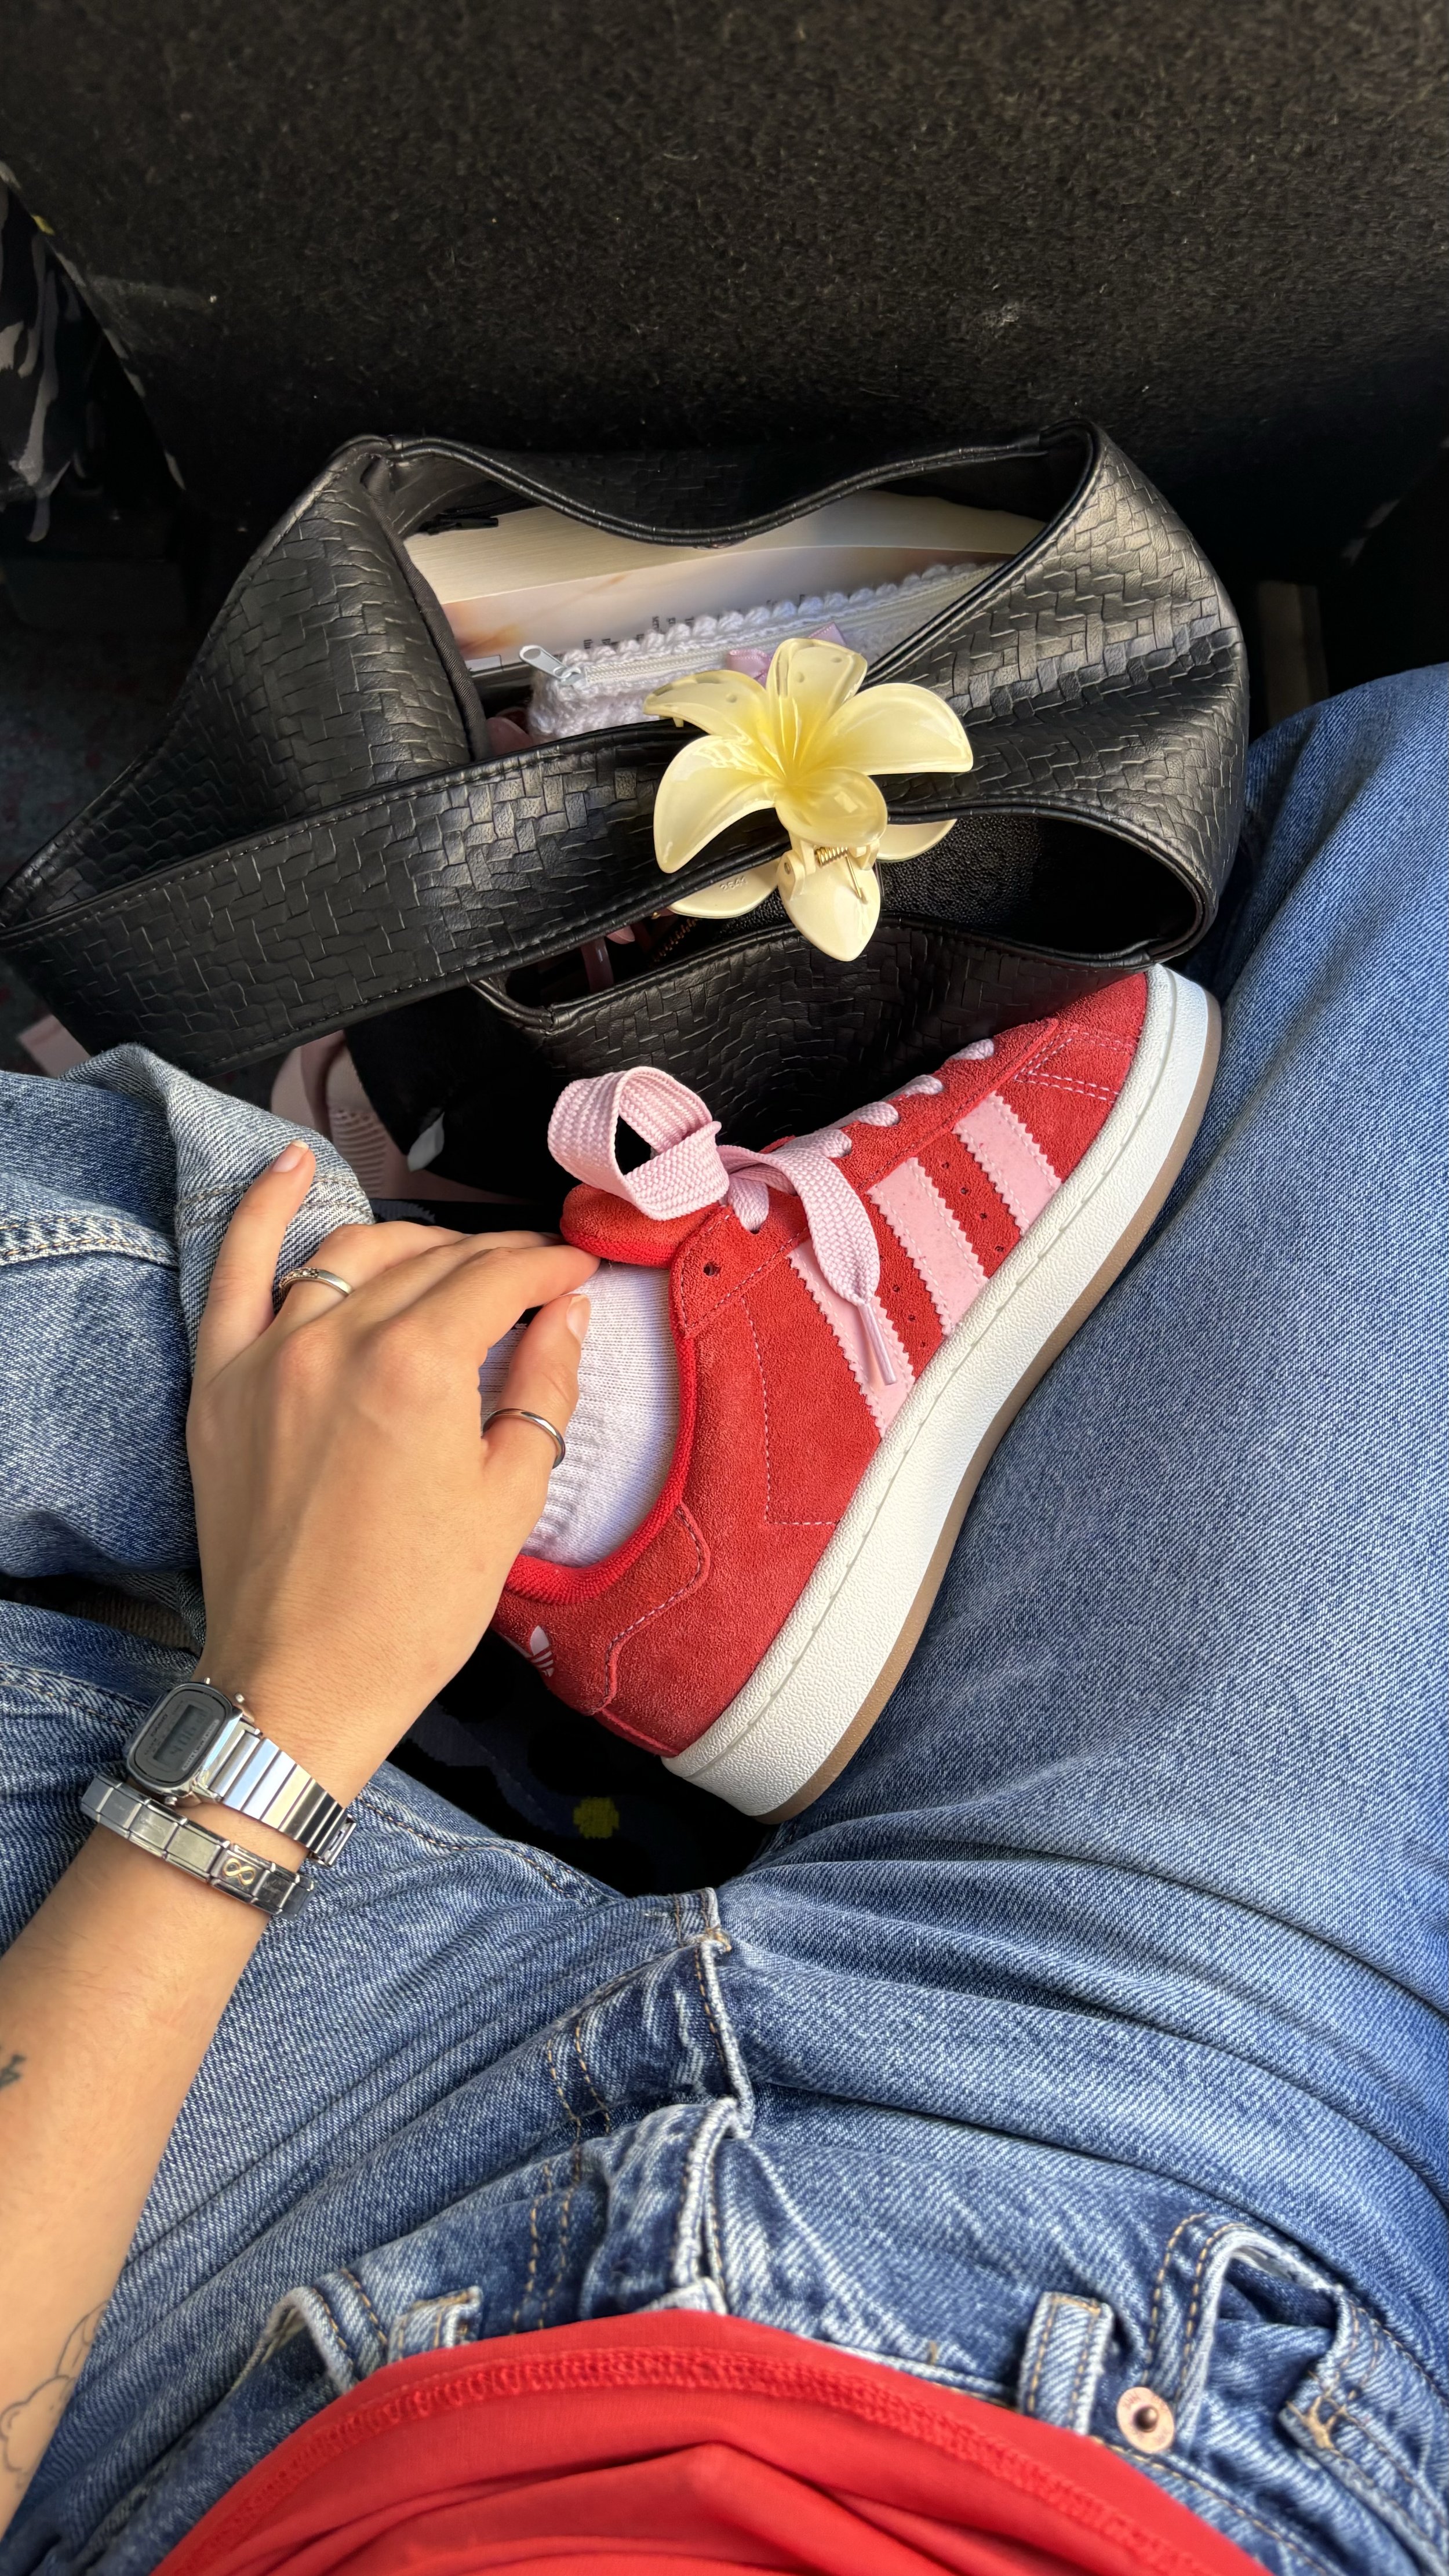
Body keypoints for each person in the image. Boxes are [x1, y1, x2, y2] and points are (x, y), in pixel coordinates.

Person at [0, 668, 1443, 2576]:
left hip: (201, 2361)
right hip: (1115, 2231)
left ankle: (551, 1407)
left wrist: (286, 1706)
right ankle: (601, 1424)